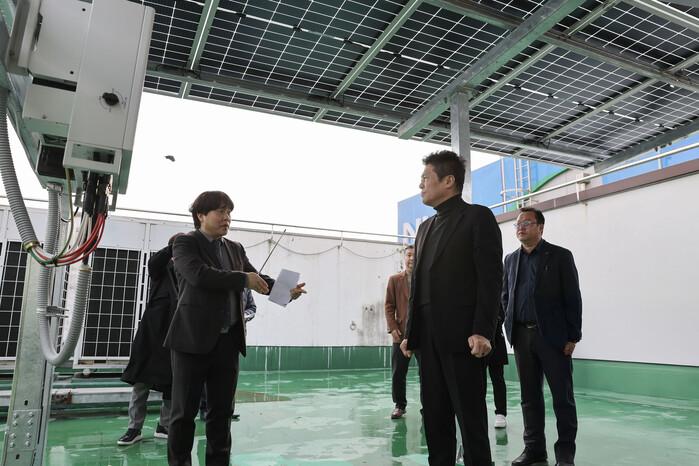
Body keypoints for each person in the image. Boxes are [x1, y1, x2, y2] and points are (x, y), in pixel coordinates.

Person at [165, 190, 306, 466]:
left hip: (228, 343)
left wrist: (285, 291)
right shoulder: (185, 243)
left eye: (229, 212)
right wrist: (244, 279)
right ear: (201, 215)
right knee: (183, 415)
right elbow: (200, 275)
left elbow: (256, 278)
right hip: (191, 341)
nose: (227, 217)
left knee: (221, 414)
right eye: (220, 211)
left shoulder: (235, 248)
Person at [401, 150, 503, 466]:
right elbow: (418, 287)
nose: (420, 185)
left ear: (448, 181)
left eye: (425, 178)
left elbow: (490, 278)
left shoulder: (477, 217)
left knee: (470, 421)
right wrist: (410, 334)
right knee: (434, 418)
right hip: (428, 342)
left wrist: (483, 330)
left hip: (463, 340)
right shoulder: (424, 229)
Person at [502, 207, 582, 466]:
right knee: (529, 397)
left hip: (553, 338)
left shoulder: (559, 256)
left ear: (540, 227)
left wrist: (573, 336)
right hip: (521, 336)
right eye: (517, 224)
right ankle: (534, 449)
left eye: (526, 223)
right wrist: (508, 325)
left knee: (562, 398)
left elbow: (572, 298)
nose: (520, 227)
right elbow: (505, 296)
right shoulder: (510, 260)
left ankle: (565, 455)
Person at [118, 234, 181, 446]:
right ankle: (134, 428)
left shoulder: (189, 269)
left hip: (176, 332)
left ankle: (164, 425)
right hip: (151, 332)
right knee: (141, 380)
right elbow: (153, 263)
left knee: (172, 382)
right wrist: (172, 247)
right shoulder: (161, 268)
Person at [199, 288, 257, 422]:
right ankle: (204, 409)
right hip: (211, 335)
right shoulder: (221, 283)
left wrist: (242, 316)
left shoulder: (246, 288)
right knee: (208, 375)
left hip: (234, 337)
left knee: (229, 377)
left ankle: (228, 410)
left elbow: (252, 308)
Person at [384, 245, 415, 420]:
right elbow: (389, 306)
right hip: (401, 333)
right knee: (398, 373)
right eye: (409, 255)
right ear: (404, 258)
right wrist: (393, 328)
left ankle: (428, 407)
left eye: (415, 255)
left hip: (422, 334)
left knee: (427, 373)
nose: (411, 258)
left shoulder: (425, 279)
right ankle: (399, 405)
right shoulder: (394, 280)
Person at [487, 305, 508, 429]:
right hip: (473, 335)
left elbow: (503, 304)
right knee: (475, 379)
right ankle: (476, 412)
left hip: (495, 333)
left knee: (497, 377)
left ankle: (501, 413)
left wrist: (497, 319)